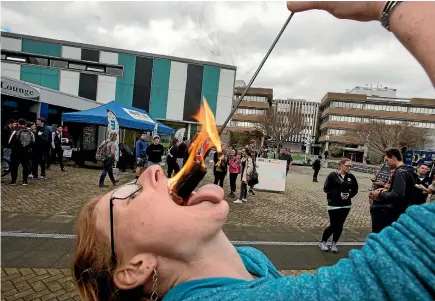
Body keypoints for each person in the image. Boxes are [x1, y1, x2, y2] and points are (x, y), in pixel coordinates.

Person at [72, 164, 435, 301]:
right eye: (132, 195)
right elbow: (408, 269)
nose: (153, 171)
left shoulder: (250, 259)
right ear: (135, 268)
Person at [370, 148, 417, 233]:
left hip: (392, 212)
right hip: (402, 210)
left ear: (393, 157)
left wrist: (379, 194)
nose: (386, 163)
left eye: (387, 160)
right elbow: (406, 190)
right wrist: (389, 188)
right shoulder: (409, 170)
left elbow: (397, 195)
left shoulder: (400, 172)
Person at [320, 158, 358, 253]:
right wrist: (337, 194)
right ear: (341, 165)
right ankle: (323, 241)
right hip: (334, 204)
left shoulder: (351, 177)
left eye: (350, 166)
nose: (349, 167)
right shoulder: (332, 175)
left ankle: (334, 243)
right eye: (347, 165)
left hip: (346, 205)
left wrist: (349, 195)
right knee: (333, 225)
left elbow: (355, 189)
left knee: (340, 225)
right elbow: (326, 189)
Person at [8, 119, 35, 186]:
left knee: (14, 166)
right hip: (26, 152)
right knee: (25, 166)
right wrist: (27, 147)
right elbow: (33, 142)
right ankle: (25, 181)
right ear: (25, 124)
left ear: (18, 124)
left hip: (16, 152)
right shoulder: (30, 132)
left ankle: (13, 181)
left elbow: (9, 142)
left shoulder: (15, 131)